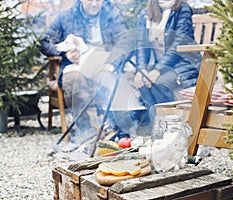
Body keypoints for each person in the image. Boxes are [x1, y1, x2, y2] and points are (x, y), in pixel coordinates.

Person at [40, 0, 133, 144]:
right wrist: (65, 54)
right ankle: (85, 131)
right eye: (90, 0)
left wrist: (113, 63)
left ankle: (110, 128)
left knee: (113, 79)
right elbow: (45, 42)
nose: (94, 3)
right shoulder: (66, 16)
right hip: (75, 66)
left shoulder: (111, 16)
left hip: (103, 64)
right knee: (74, 81)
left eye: (98, 0)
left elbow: (125, 41)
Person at [133, 0, 202, 132]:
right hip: (160, 65)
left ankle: (171, 129)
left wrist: (158, 70)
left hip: (184, 63)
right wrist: (141, 69)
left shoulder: (182, 9)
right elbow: (141, 44)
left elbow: (179, 43)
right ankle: (157, 128)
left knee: (159, 84)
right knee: (143, 83)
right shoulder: (145, 13)